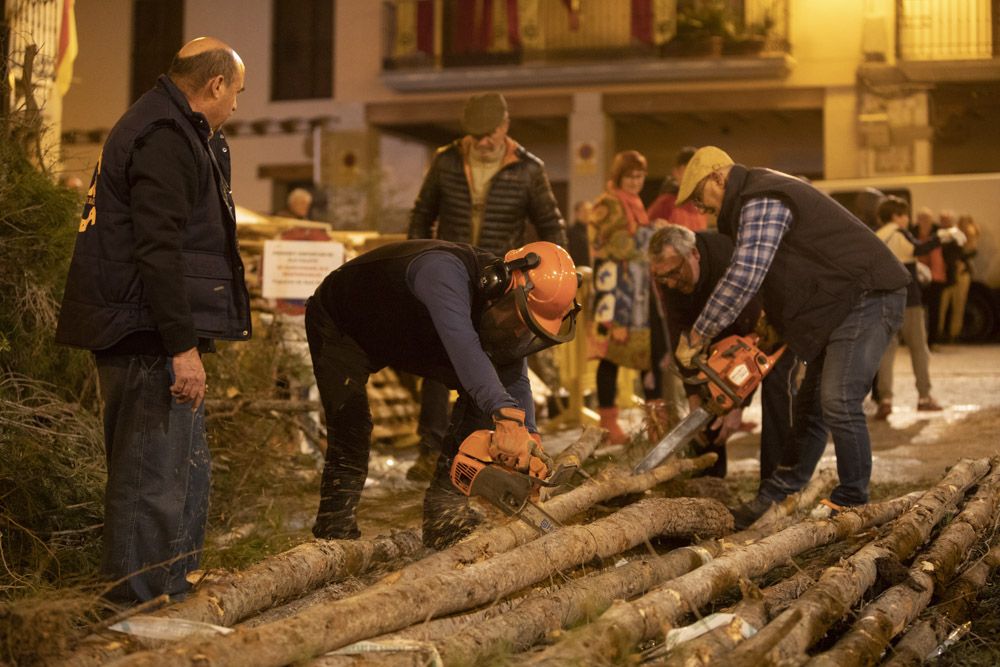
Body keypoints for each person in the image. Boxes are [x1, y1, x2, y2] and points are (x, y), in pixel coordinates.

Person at [54, 37, 250, 604]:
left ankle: (170, 586)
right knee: (149, 478)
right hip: (145, 333)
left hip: (152, 327)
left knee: (179, 471)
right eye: (235, 92)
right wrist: (181, 346)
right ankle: (135, 603)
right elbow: (158, 248)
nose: (236, 106)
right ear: (215, 85)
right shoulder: (164, 135)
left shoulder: (175, 128)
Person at [671, 146, 909, 528]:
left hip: (866, 295)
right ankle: (776, 495)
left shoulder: (762, 197)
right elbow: (778, 278)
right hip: (836, 304)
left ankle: (853, 502)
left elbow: (746, 274)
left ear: (718, 177)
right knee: (811, 410)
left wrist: (701, 333)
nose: (702, 209)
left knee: (839, 399)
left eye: (701, 198)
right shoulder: (753, 203)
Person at [305, 239, 579, 549]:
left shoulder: (499, 306)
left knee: (484, 395)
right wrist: (505, 415)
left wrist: (529, 437)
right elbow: (463, 345)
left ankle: (443, 514)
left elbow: (513, 374)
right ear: (500, 284)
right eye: (518, 320)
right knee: (351, 426)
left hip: (409, 331)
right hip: (344, 324)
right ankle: (333, 532)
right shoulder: (441, 271)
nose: (519, 332)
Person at [406, 92, 567, 481]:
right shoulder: (446, 162)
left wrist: (553, 271)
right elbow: (422, 214)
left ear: (505, 126)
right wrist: (421, 259)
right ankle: (431, 449)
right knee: (438, 362)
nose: (482, 143)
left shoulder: (529, 170)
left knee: (510, 362)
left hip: (501, 282)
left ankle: (519, 447)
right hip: (449, 274)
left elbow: (551, 226)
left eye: (488, 134)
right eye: (474, 136)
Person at [648, 224, 798, 479]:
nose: (670, 283)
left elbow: (755, 340)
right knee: (708, 401)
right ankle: (709, 480)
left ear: (693, 254)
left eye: (674, 273)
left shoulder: (727, 261)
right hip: (718, 329)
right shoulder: (669, 277)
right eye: (662, 278)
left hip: (769, 323)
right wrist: (695, 395)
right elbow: (681, 338)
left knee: (776, 394)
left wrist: (737, 402)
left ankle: (777, 486)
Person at [873, 197, 964, 418]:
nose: (907, 219)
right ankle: (924, 397)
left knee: (886, 352)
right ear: (896, 216)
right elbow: (917, 248)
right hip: (908, 300)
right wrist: (943, 236)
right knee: (919, 350)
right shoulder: (898, 232)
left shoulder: (877, 235)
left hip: (884, 300)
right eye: (904, 214)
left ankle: (885, 398)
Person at [589, 150, 656, 443]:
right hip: (613, 293)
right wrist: (651, 238)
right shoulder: (607, 204)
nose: (636, 181)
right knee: (610, 357)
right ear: (619, 176)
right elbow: (613, 245)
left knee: (646, 354)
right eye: (630, 176)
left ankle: (655, 421)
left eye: (640, 176)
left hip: (636, 294)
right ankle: (608, 426)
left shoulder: (635, 204)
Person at [646, 146, 710, 232]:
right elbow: (646, 231)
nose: (691, 177)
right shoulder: (665, 202)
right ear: (676, 172)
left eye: (695, 172)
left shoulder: (701, 205)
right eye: (687, 171)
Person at [938, 212, 978, 342]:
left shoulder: (971, 238)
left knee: (958, 305)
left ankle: (953, 334)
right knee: (942, 305)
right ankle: (939, 332)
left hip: (961, 274)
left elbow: (971, 253)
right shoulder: (953, 236)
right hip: (949, 275)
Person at [912, 208, 947, 347]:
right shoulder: (912, 233)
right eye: (922, 218)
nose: (925, 222)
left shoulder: (938, 233)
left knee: (935, 311)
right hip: (918, 278)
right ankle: (917, 341)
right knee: (917, 312)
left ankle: (932, 340)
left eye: (928, 219)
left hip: (937, 277)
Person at [567, 200, 593, 268]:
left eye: (590, 211)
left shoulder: (592, 233)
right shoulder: (571, 233)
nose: (587, 214)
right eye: (584, 211)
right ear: (577, 213)